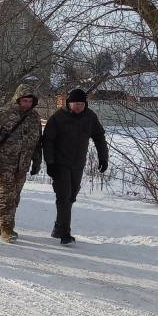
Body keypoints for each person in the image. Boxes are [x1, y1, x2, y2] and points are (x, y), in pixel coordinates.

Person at [0, 84, 43, 242]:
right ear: (17, 99)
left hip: (23, 163)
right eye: (24, 100)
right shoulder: (2, 114)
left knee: (15, 195)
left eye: (30, 101)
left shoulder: (34, 118)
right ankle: (7, 228)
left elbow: (37, 142)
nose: (27, 104)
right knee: (7, 194)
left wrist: (37, 161)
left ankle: (2, 223)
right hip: (3, 161)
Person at [42, 88, 108, 245]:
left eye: (81, 104)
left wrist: (103, 157)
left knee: (72, 195)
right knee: (63, 196)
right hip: (60, 163)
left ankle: (59, 227)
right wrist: (50, 162)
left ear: (85, 104)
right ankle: (64, 232)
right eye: (75, 104)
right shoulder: (58, 117)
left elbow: (99, 137)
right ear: (68, 103)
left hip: (78, 164)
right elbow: (47, 140)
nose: (78, 107)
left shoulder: (90, 117)